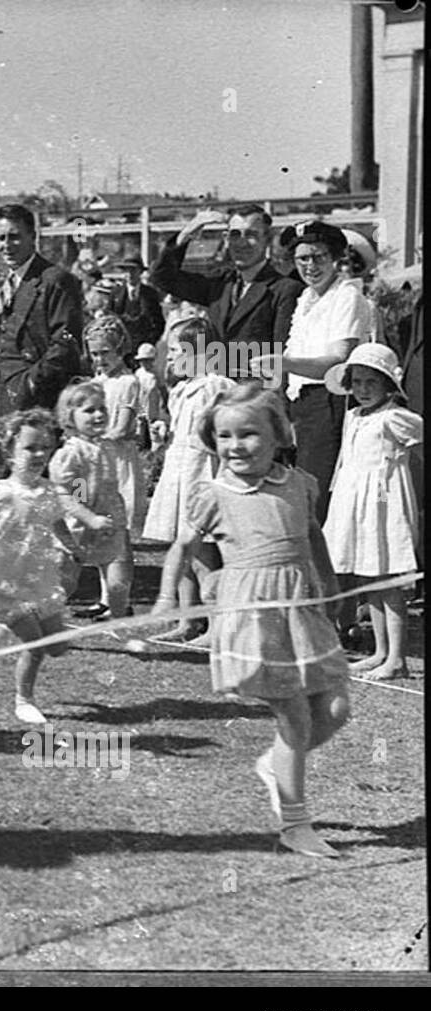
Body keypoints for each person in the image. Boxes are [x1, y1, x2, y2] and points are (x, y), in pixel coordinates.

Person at [155, 383, 349, 858]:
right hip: (254, 615)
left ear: (279, 435)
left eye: (249, 434)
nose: (235, 445)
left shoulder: (300, 484)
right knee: (295, 716)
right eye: (224, 436)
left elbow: (312, 535)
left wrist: (330, 583)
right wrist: (170, 597)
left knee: (336, 709)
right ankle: (295, 823)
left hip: (302, 607)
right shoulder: (213, 493)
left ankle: (277, 762)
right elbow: (184, 547)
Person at [0, 408, 114, 725]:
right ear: (10, 455)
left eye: (44, 447)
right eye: (30, 448)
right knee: (37, 646)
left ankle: (5, 627)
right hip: (7, 585)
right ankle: (23, 700)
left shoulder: (49, 490)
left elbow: (57, 520)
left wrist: (73, 548)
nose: (39, 454)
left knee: (57, 646)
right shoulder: (3, 494)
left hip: (39, 578)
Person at [321, 345, 423, 679]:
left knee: (388, 580)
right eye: (358, 382)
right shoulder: (354, 417)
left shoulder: (395, 418)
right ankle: (380, 651)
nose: (363, 389)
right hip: (354, 504)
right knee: (370, 577)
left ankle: (397, 658)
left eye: (371, 382)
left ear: (388, 385)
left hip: (383, 504)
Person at [266, 221, 376, 521]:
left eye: (319, 257)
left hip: (329, 403)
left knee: (317, 494)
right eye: (303, 258)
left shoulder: (347, 297)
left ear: (335, 258)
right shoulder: (307, 299)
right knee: (299, 490)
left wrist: (284, 364)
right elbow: (292, 355)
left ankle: (320, 566)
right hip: (300, 404)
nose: (311, 266)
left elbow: (339, 361)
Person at [142, 318, 234, 641]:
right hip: (179, 471)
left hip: (202, 472)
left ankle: (216, 623)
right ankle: (187, 620)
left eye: (178, 351)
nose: (170, 357)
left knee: (203, 552)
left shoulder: (216, 385)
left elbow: (222, 429)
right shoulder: (180, 389)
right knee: (181, 548)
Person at [148, 205, 304, 379]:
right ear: (226, 239)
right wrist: (187, 234)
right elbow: (162, 278)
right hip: (218, 394)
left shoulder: (285, 289)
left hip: (254, 398)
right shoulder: (220, 284)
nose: (242, 242)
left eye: (251, 235)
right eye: (235, 234)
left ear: (267, 239)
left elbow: (281, 357)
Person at [51, 381, 137, 635]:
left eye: (102, 409)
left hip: (110, 521)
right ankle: (44, 620)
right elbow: (70, 495)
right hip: (78, 526)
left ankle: (119, 621)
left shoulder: (106, 446)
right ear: (70, 416)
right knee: (66, 582)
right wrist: (89, 517)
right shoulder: (72, 453)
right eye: (89, 411)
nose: (99, 415)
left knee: (119, 579)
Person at [0, 203, 85, 411]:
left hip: (42, 401)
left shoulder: (55, 280)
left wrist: (30, 383)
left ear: (32, 237)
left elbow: (66, 343)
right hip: (5, 400)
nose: (7, 245)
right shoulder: (1, 280)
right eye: (1, 238)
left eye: (14, 236)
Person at [87, 315, 147, 541]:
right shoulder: (96, 381)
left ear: (119, 349)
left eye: (105, 352)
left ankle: (120, 571)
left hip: (116, 456)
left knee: (118, 521)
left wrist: (93, 439)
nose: (99, 359)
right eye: (94, 354)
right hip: (96, 455)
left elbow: (121, 428)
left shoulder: (127, 382)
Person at [108, 257, 165, 348]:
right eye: (127, 271)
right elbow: (109, 317)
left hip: (143, 343)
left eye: (133, 270)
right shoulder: (116, 293)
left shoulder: (150, 293)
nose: (130, 274)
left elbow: (159, 321)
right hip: (121, 344)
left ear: (140, 272)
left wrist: (151, 341)